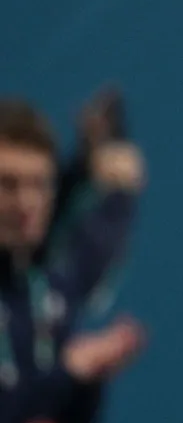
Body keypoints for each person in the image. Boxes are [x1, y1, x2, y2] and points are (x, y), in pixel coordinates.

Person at [0, 93, 145, 423]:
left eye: (39, 184)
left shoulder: (55, 286)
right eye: (7, 184)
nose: (26, 203)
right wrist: (72, 369)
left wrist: (107, 156)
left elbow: (101, 234)